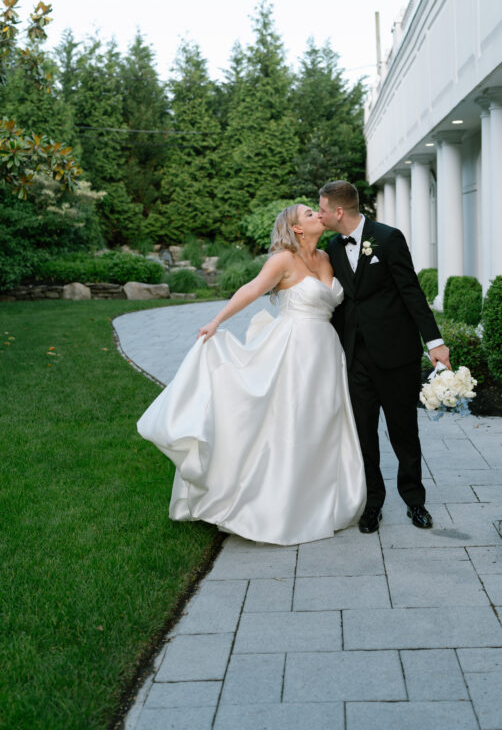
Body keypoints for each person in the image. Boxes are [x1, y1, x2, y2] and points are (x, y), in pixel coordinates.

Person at [136, 204, 366, 546]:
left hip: (326, 352)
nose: (318, 215)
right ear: (297, 228)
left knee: (324, 423)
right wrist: (216, 322)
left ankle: (323, 502)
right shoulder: (283, 260)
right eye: (308, 213)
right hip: (294, 350)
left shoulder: (328, 258)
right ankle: (278, 507)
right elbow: (252, 289)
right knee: (292, 423)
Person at [318, 180, 450, 534]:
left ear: (339, 211)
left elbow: (411, 292)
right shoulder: (331, 246)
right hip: (356, 357)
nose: (320, 215)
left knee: (403, 431)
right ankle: (372, 503)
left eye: (322, 209)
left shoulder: (388, 238)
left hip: (396, 354)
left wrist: (434, 342)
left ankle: (414, 500)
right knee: (363, 434)